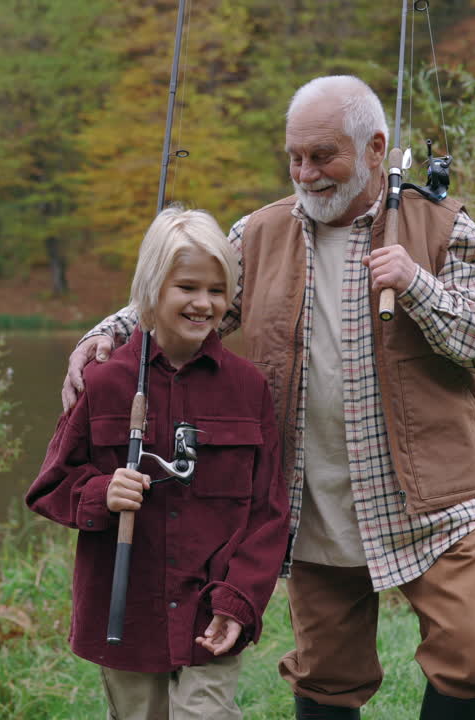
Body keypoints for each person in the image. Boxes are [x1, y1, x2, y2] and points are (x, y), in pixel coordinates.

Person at [63, 75, 475, 719]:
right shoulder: (260, 233)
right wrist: (104, 337)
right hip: (315, 499)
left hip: (431, 499)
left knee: (469, 652)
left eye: (323, 156)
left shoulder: (446, 229)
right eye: (295, 157)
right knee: (328, 675)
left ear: (374, 148)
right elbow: (186, 302)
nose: (306, 173)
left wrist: (416, 283)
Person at [27, 207, 289, 720]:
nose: (203, 303)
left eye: (217, 290)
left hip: (211, 614)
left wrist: (238, 601)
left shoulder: (248, 388)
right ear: (150, 290)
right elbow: (50, 486)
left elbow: (269, 513)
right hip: (125, 617)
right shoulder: (103, 383)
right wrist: (100, 493)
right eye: (186, 287)